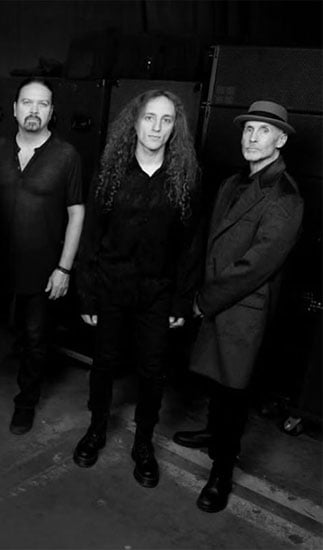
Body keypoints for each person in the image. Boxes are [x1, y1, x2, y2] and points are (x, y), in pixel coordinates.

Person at [173, 100, 303, 512]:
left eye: (264, 131)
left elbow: (255, 266)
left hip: (242, 310)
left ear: (280, 141)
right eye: (248, 129)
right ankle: (212, 434)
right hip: (217, 301)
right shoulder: (232, 183)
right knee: (217, 382)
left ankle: (222, 472)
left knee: (232, 394)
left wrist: (204, 301)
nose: (252, 137)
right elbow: (209, 241)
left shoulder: (285, 197)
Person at [74, 90, 201, 489]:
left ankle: (143, 443)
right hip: (111, 286)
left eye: (166, 120)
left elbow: (190, 246)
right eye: (149, 118)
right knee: (104, 363)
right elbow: (91, 236)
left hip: (158, 293)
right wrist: (87, 293)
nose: (156, 128)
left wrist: (181, 300)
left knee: (152, 370)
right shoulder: (110, 172)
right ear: (135, 121)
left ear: (174, 128)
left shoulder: (184, 178)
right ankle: (96, 428)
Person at [0, 77, 84, 434]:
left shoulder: (66, 156)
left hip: (42, 267)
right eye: (27, 102)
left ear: (52, 112)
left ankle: (26, 404)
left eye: (42, 104)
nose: (34, 110)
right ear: (14, 108)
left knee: (35, 340)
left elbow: (76, 213)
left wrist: (64, 268)